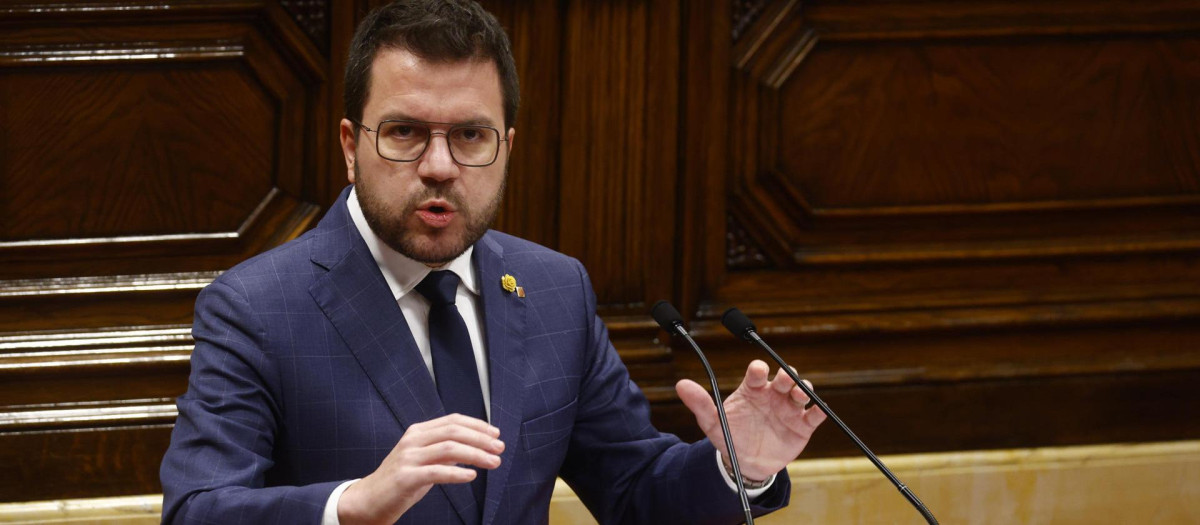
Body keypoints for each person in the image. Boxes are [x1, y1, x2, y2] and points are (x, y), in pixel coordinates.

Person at [159, 1, 827, 523]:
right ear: (349, 144)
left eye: (470, 136)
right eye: (404, 133)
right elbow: (197, 510)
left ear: (506, 147)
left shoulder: (554, 289)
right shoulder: (258, 307)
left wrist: (739, 468)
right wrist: (351, 505)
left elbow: (635, 495)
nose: (440, 166)